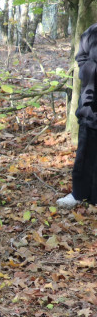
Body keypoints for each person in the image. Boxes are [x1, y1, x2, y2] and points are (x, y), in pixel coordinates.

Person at [57, 23, 97, 208]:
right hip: (90, 105)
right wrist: (91, 69)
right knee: (85, 153)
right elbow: (81, 58)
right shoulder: (92, 31)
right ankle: (78, 194)